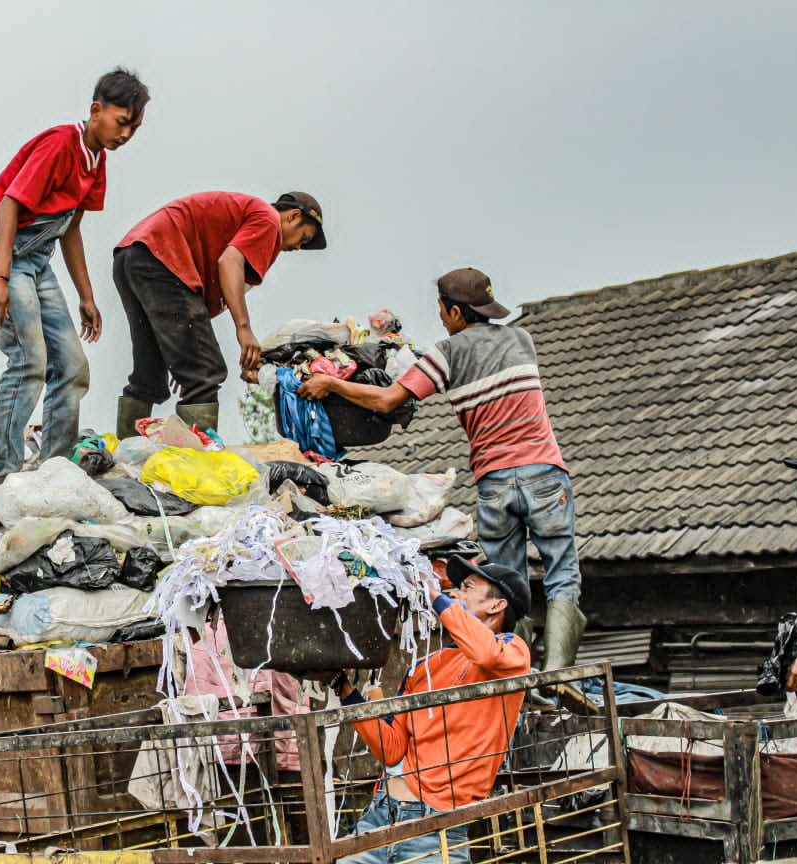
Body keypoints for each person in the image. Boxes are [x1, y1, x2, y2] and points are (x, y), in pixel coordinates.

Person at [300, 268, 586, 672]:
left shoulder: (448, 353)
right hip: (544, 474)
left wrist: (334, 387)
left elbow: (387, 402)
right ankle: (559, 675)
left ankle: (516, 675)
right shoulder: (522, 339)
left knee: (505, 582)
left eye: (441, 309)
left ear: (453, 311)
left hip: (496, 481)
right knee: (562, 573)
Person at [0, 68, 150, 485]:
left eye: (134, 128)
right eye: (122, 122)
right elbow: (11, 204)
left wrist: (86, 295)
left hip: (36, 262)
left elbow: (70, 229)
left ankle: (55, 471)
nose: (126, 134)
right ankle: (2, 475)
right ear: (96, 110)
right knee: (29, 361)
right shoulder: (60, 144)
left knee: (72, 364)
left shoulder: (97, 160)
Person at [332, 557, 531, 864]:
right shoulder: (426, 666)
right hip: (381, 812)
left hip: (435, 824)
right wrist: (344, 688)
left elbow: (485, 652)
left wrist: (433, 595)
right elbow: (392, 750)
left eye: (466, 588)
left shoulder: (511, 652)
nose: (455, 595)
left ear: (497, 606)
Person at [112, 191, 327, 439]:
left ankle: (127, 456)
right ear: (293, 216)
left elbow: (200, 303)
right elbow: (229, 262)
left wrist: (184, 353)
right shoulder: (268, 220)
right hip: (162, 256)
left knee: (149, 375)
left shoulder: (248, 219)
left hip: (133, 255)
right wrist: (243, 328)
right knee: (205, 373)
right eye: (304, 237)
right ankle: (196, 466)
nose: (300, 247)